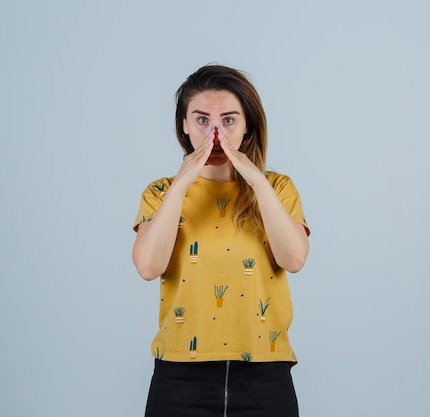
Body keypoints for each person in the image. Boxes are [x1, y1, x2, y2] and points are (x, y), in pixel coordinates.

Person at [132, 64, 310, 417]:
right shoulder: (160, 193)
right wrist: (183, 182)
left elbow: (294, 259)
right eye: (201, 120)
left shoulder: (277, 188)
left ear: (248, 126)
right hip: (180, 376)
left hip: (264, 373)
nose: (215, 134)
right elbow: (148, 267)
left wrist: (255, 180)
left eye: (228, 120)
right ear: (184, 124)